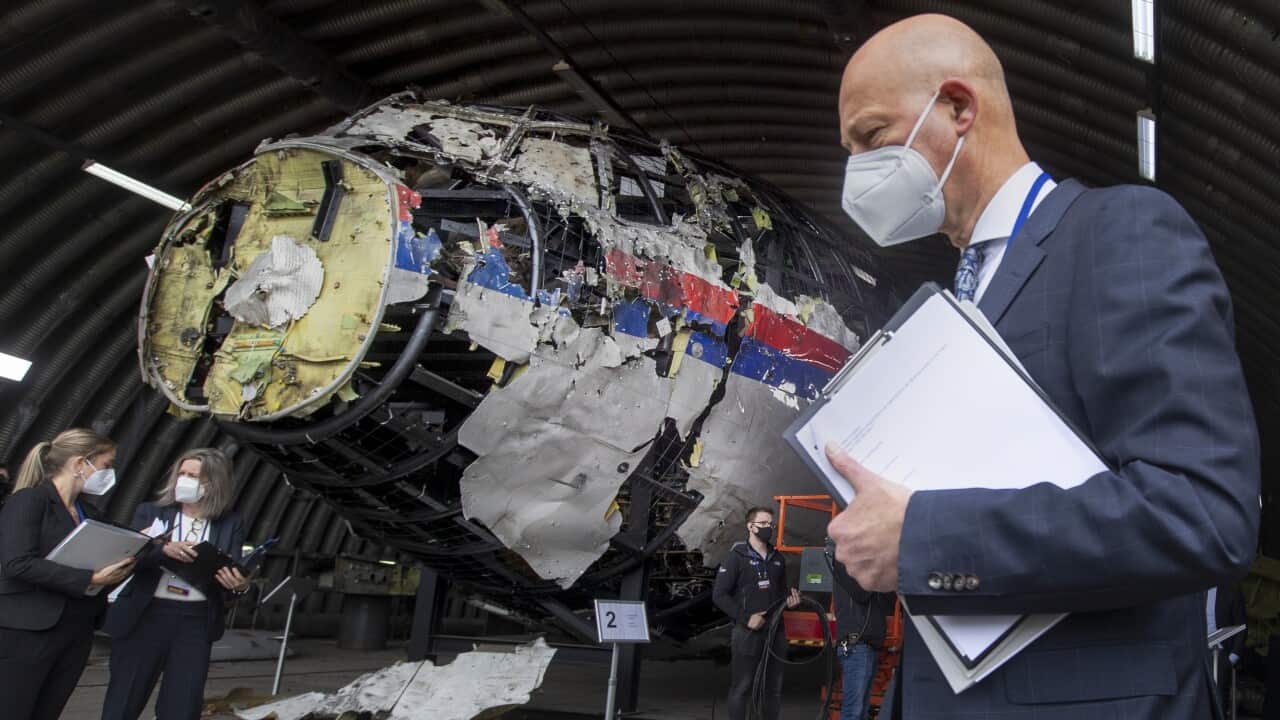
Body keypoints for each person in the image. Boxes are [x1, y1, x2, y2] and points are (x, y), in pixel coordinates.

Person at [825, 14, 1259, 720]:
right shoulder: (952, 302)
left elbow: (1201, 512)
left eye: (872, 138)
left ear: (960, 108)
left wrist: (925, 536)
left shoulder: (1121, 233)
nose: (859, 170)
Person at [102, 447, 249, 720]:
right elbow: (128, 559)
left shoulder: (231, 522)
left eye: (193, 475)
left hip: (195, 621)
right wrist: (162, 551)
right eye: (182, 473)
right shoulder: (150, 512)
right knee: (124, 699)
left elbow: (232, 569)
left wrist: (238, 586)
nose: (184, 479)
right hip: (147, 614)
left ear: (214, 482)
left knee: (183, 704)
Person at [0, 429, 137, 720]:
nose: (109, 473)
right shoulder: (29, 501)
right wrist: (89, 579)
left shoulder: (88, 512)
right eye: (105, 465)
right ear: (79, 464)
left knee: (47, 711)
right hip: (28, 631)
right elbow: (17, 563)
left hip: (75, 629)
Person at [712, 506, 801, 720]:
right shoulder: (736, 557)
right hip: (747, 633)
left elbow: (780, 593)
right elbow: (719, 595)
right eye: (763, 524)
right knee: (742, 687)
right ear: (750, 526)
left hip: (775, 632)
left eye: (771, 524)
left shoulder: (777, 559)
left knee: (772, 689)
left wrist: (791, 601)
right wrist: (746, 618)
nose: (768, 528)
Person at [830, 561, 892, 720]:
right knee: (854, 711)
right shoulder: (843, 561)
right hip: (856, 645)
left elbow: (889, 600)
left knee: (861, 711)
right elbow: (861, 593)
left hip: (868, 645)